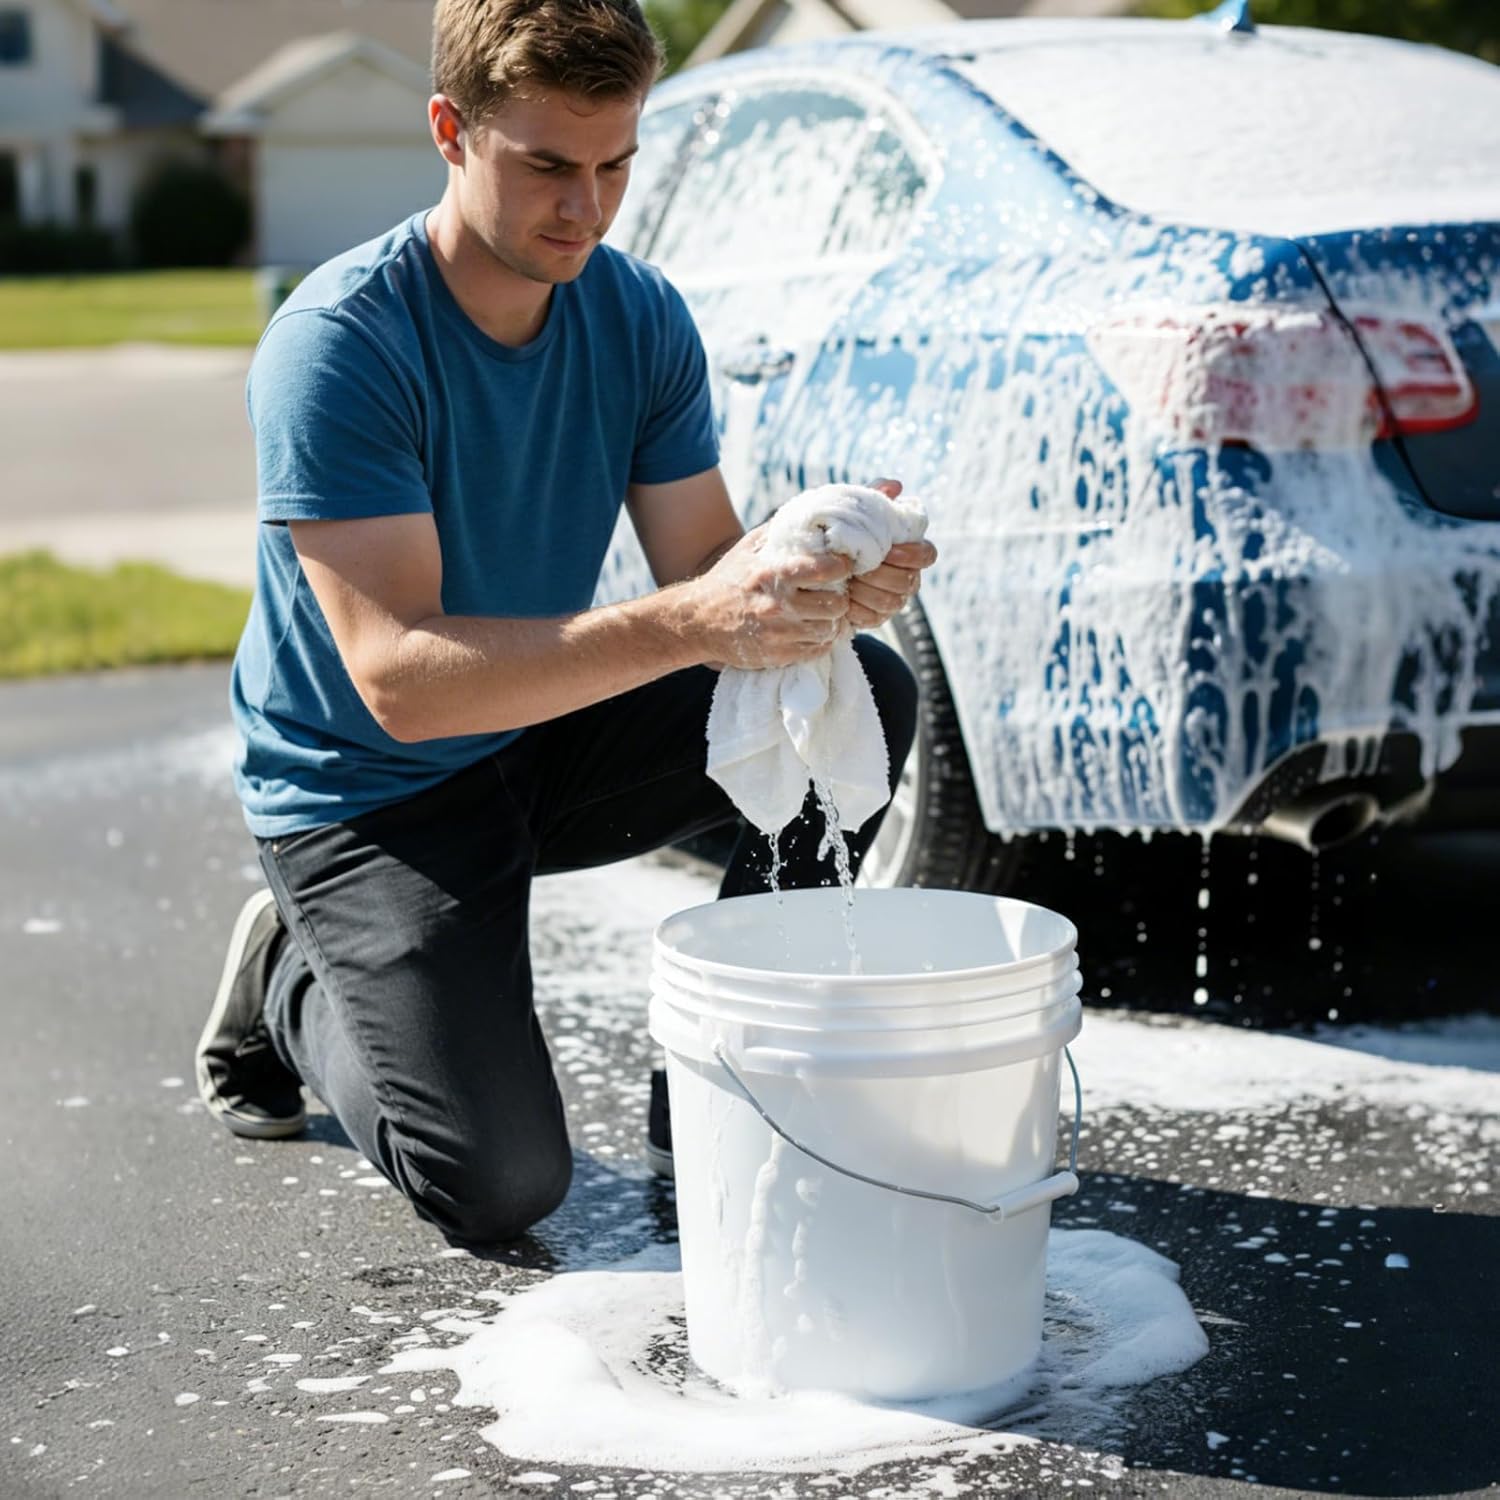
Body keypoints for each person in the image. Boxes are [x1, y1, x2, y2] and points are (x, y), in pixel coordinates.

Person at [195, 0, 937, 1249]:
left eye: (613, 166)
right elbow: (402, 682)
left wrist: (814, 577)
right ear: (451, 130)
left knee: (862, 685)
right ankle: (288, 977)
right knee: (498, 1185)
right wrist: (706, 616)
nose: (585, 209)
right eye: (546, 166)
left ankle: (721, 1099)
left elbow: (706, 571)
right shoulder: (339, 344)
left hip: (538, 730)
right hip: (366, 791)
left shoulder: (637, 315)